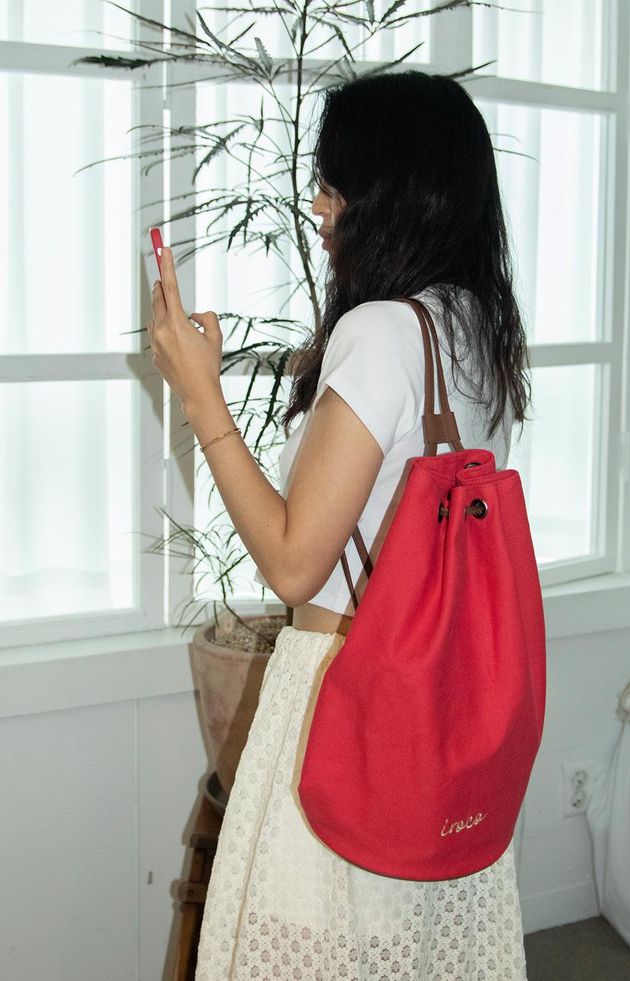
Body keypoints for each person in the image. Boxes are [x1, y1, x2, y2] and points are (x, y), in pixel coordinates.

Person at [169, 68, 532, 980]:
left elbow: (295, 566)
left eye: (335, 182)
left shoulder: (379, 330)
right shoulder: (476, 325)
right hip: (440, 701)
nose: (320, 204)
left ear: (390, 191)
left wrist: (201, 394)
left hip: (348, 688)